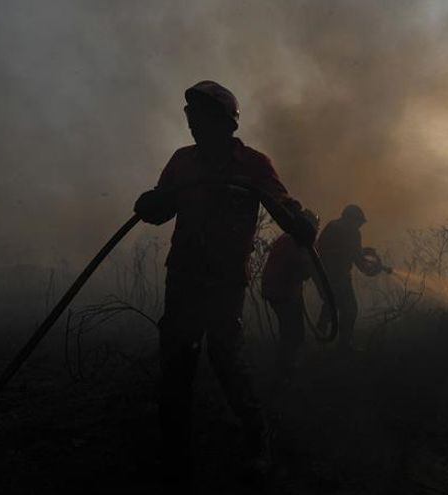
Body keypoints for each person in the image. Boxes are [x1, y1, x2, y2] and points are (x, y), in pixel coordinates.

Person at [133, 80, 316, 485]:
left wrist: (301, 223)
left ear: (224, 122)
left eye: (198, 115)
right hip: (183, 277)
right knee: (177, 366)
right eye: (189, 115)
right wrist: (149, 203)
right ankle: (176, 457)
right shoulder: (183, 162)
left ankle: (257, 443)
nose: (191, 122)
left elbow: (282, 205)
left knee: (226, 361)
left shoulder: (253, 164)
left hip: (224, 283)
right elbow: (161, 207)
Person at [315, 204, 388, 352]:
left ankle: (320, 335)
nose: (360, 226)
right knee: (350, 309)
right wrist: (372, 268)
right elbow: (358, 260)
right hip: (339, 276)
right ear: (352, 219)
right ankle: (343, 345)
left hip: (324, 275)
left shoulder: (332, 226)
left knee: (332, 305)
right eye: (359, 222)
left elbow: (344, 251)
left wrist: (363, 253)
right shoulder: (351, 231)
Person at [261, 209, 320, 390]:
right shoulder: (296, 242)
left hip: (277, 291)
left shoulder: (287, 239)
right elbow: (302, 272)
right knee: (293, 334)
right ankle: (283, 374)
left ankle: (286, 370)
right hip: (284, 293)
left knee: (290, 332)